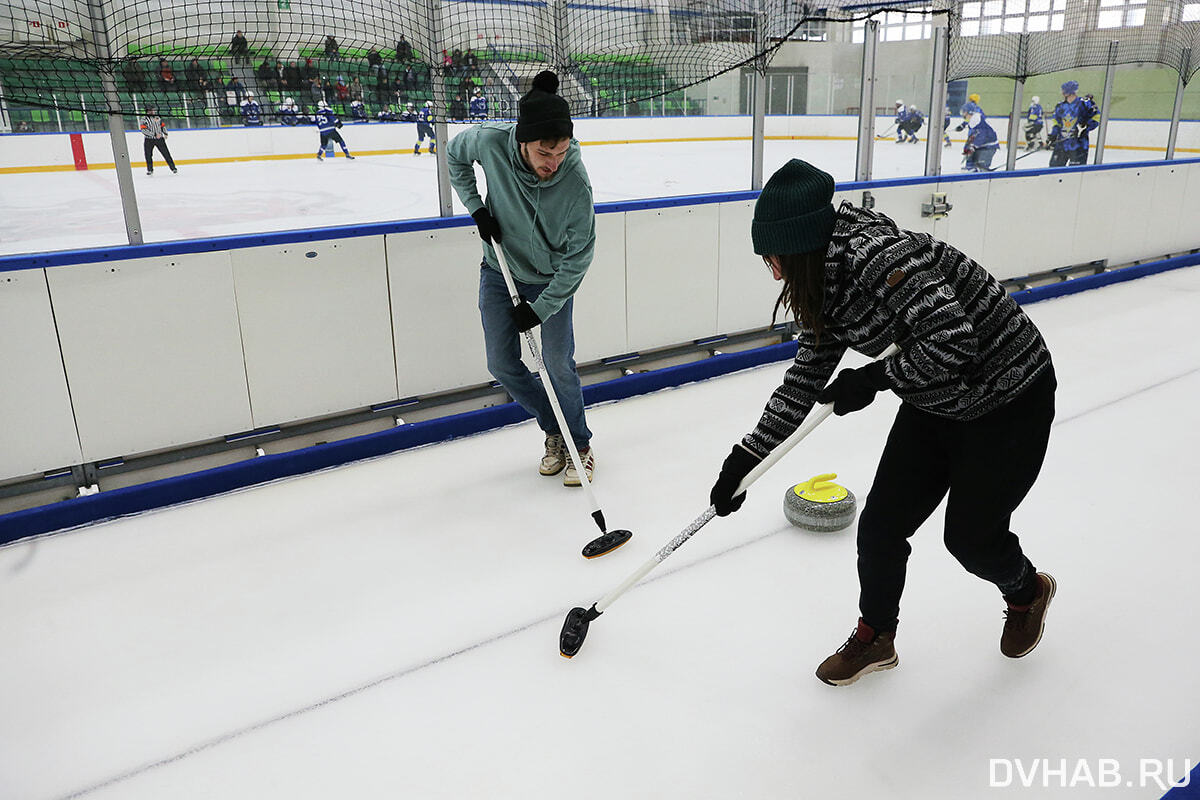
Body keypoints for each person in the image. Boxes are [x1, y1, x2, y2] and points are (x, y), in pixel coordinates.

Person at [708, 158, 1057, 687]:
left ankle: (1028, 592)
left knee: (970, 538)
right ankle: (876, 637)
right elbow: (807, 375)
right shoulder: (821, 281)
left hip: (1008, 397)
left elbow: (954, 340)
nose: (773, 270)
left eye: (775, 257)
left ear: (801, 246)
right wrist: (748, 458)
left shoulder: (879, 260)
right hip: (935, 400)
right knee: (880, 529)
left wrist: (874, 378)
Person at [446, 70, 599, 486]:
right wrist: (477, 209)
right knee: (502, 364)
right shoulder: (491, 140)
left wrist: (542, 307)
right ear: (522, 142)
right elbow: (454, 155)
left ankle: (579, 444)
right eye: (544, 153)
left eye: (562, 152)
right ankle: (556, 430)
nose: (553, 163)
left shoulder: (574, 182)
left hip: (550, 283)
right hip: (499, 271)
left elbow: (579, 256)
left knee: (556, 364)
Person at [1047, 80, 1099, 167]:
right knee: (1053, 169)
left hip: (1079, 145)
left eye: (1063, 90)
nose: (1062, 92)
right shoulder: (1060, 106)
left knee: (1075, 173)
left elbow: (1096, 117)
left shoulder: (1084, 103)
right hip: (1061, 145)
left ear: (1068, 91)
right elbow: (1057, 122)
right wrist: (1053, 135)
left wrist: (1085, 127)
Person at [139, 105, 178, 175]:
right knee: (148, 155)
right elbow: (143, 130)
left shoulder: (157, 117)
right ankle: (150, 169)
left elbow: (162, 126)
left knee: (166, 153)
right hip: (149, 140)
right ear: (149, 111)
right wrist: (154, 134)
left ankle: (173, 168)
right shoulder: (143, 119)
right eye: (152, 110)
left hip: (160, 139)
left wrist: (165, 133)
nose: (154, 111)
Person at [961, 103, 999, 172]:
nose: (963, 114)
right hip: (981, 146)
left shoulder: (977, 121)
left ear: (970, 112)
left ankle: (982, 170)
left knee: (980, 165)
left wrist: (973, 146)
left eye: (964, 112)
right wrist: (967, 148)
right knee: (971, 163)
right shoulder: (972, 121)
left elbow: (981, 136)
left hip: (989, 147)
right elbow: (971, 137)